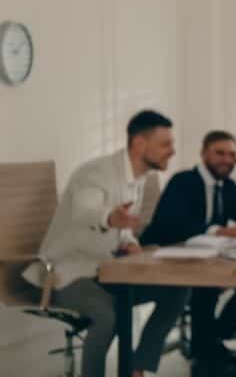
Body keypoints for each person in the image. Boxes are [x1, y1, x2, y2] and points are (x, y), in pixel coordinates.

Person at [22, 110, 188, 377]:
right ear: (139, 144)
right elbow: (87, 211)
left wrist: (130, 242)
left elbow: (122, 229)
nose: (172, 151)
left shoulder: (138, 177)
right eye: (165, 144)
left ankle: (137, 367)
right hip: (67, 273)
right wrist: (110, 217)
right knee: (108, 315)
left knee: (177, 288)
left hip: (107, 270)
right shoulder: (95, 172)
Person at [140, 130, 236, 370]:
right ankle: (208, 347)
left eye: (231, 155)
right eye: (219, 153)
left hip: (204, 256)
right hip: (166, 254)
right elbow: (173, 225)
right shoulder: (183, 180)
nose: (226, 159)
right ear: (204, 153)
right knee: (206, 285)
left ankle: (211, 341)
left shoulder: (227, 185)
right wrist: (218, 230)